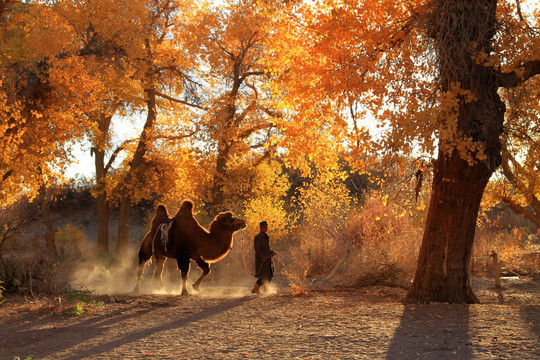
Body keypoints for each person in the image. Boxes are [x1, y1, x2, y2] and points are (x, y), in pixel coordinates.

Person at [252, 221, 276, 294]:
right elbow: (257, 250)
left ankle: (266, 290)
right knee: (263, 276)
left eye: (266, 227)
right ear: (260, 228)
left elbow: (267, 249)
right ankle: (255, 289)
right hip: (262, 260)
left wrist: (272, 252)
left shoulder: (266, 236)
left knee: (269, 276)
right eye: (264, 227)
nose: (265, 228)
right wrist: (263, 258)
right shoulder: (257, 237)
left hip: (267, 259)